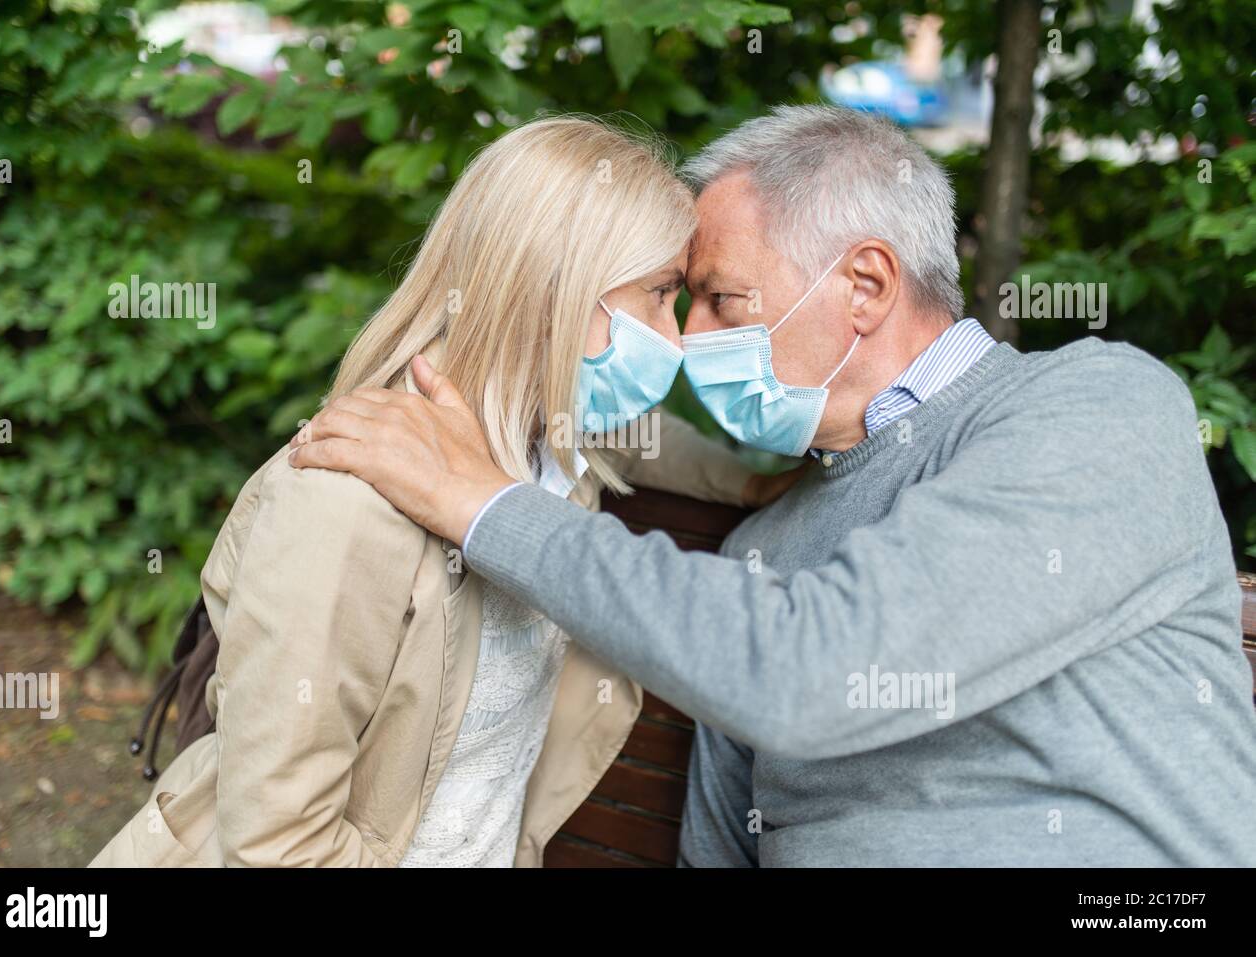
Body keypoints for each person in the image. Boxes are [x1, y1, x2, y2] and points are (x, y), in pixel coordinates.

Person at [290, 105, 1256, 866]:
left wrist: (485, 504)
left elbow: (812, 673)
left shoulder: (1097, 408)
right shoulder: (764, 548)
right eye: (678, 301)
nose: (687, 341)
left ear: (866, 286)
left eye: (721, 299)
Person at [91, 116, 783, 868]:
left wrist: (755, 480)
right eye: (659, 295)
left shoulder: (548, 454)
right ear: (553, 284)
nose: (674, 341)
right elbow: (278, 846)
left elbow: (645, 446)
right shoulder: (343, 506)